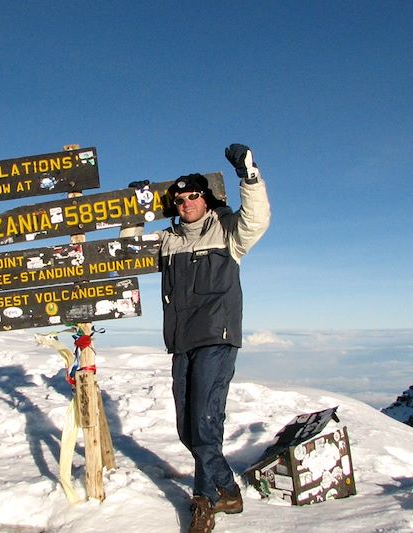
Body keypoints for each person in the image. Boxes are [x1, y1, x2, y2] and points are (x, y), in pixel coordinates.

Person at [159, 144, 271, 532]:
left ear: (206, 200)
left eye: (193, 196)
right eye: (180, 198)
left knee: (206, 425)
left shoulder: (227, 232)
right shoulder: (170, 240)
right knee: (187, 428)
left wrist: (249, 177)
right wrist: (132, 215)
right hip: (181, 342)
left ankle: (205, 502)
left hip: (216, 338)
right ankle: (227, 488)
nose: (186, 203)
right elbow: (128, 254)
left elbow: (256, 221)